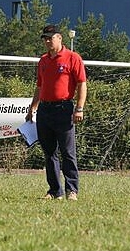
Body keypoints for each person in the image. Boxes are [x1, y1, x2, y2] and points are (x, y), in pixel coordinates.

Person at [25, 24, 87, 201]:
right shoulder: (43, 60)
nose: (46, 41)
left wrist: (79, 108)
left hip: (63, 109)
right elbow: (39, 86)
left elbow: (82, 83)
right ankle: (55, 191)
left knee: (68, 152)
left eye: (50, 38)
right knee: (49, 152)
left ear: (59, 38)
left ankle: (72, 190)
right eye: (44, 38)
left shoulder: (73, 58)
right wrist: (33, 107)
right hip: (45, 110)